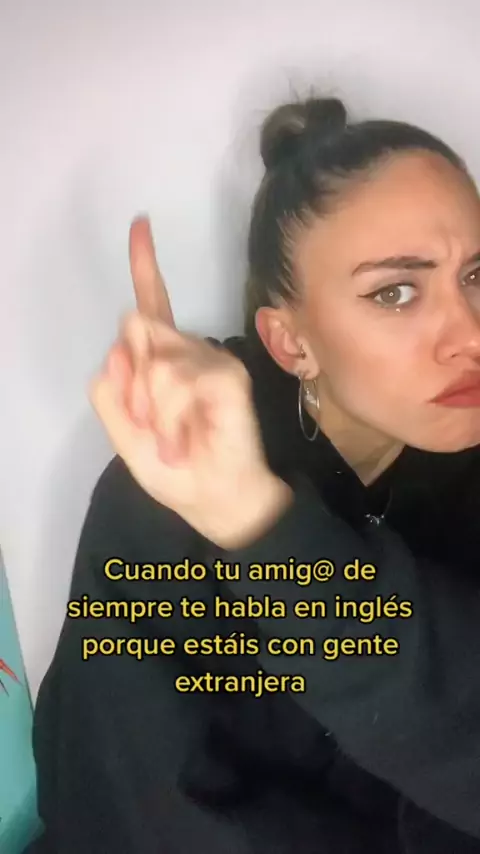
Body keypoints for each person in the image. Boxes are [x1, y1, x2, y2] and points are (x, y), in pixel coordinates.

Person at [26, 94, 480, 854]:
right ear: (291, 343)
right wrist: (254, 520)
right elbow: (124, 794)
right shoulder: (177, 468)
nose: (469, 334)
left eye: (477, 275)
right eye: (395, 292)